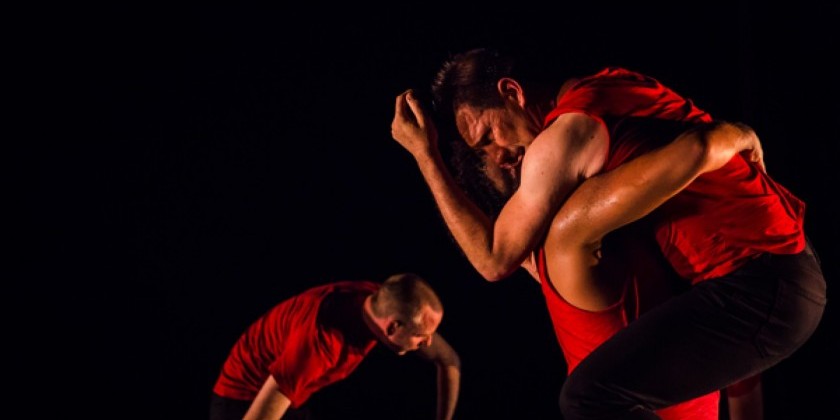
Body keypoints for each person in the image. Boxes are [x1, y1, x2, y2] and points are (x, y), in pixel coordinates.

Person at [390, 47, 825, 419]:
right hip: (780, 268)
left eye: (488, 136)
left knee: (588, 397)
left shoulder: (564, 140)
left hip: (762, 283)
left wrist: (426, 155)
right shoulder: (612, 84)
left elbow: (492, 258)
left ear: (512, 92)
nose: (500, 152)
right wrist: (735, 132)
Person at [209, 273, 461, 420]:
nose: (428, 342)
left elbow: (448, 360)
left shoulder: (378, 302)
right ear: (393, 327)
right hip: (243, 400)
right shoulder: (321, 344)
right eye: (420, 336)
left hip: (291, 391)